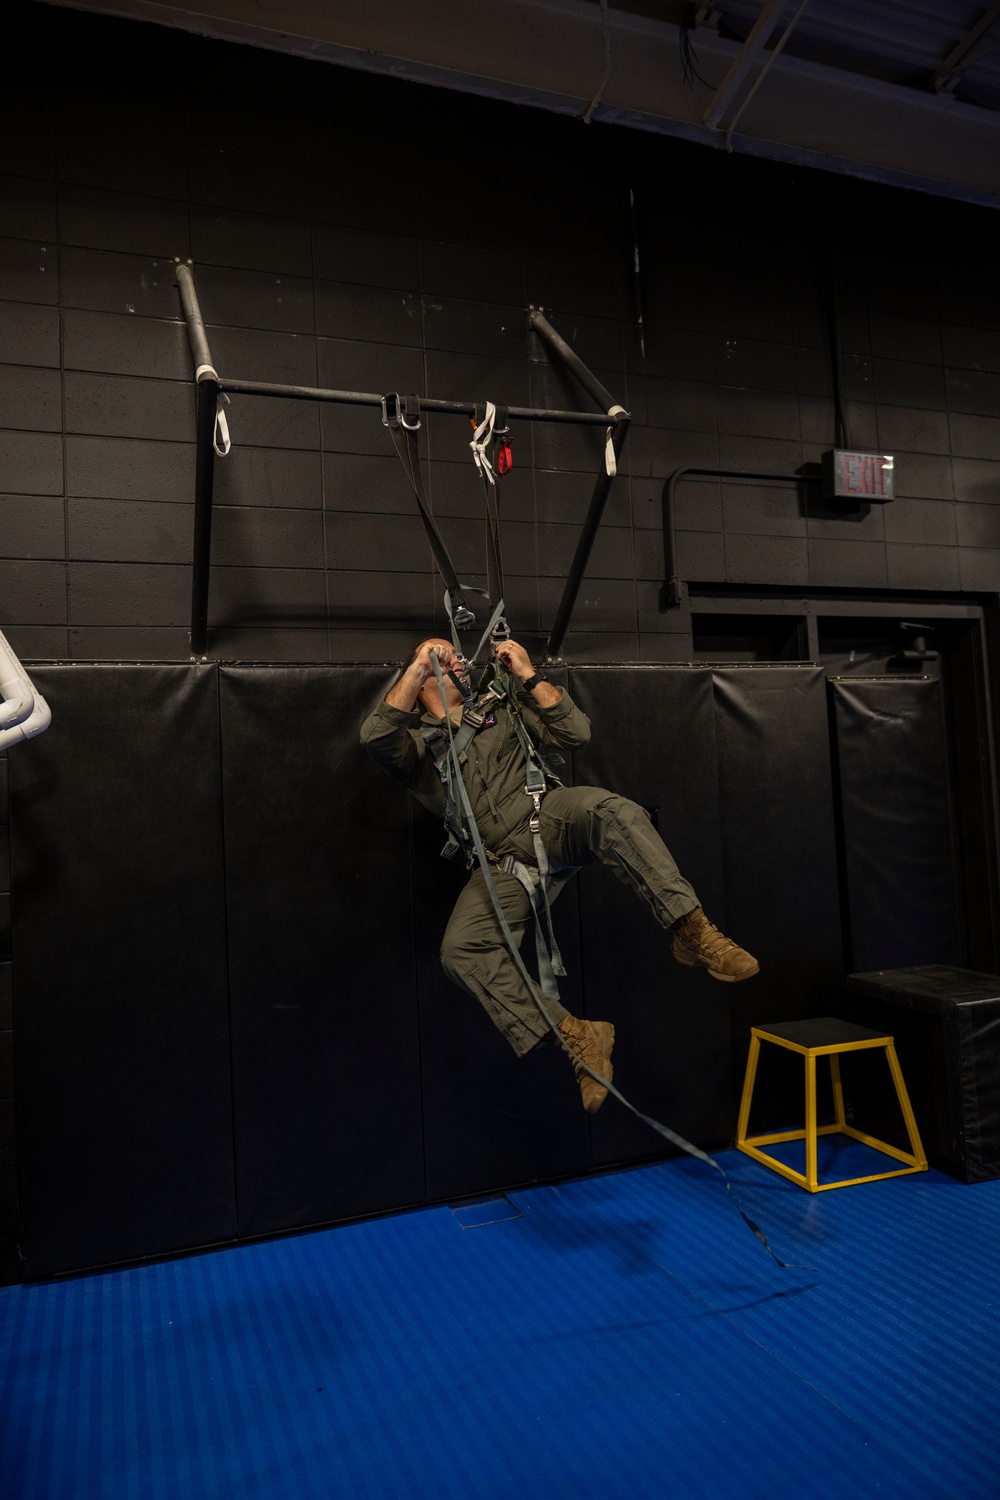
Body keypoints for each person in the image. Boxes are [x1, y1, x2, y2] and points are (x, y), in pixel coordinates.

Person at [360, 636, 758, 1113]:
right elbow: (374, 736)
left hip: (547, 819)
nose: (457, 665)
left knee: (611, 811)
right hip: (502, 864)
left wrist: (528, 675)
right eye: (442, 662)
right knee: (460, 951)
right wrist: (423, 661)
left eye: (455, 658)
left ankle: (693, 931)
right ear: (423, 678)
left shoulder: (499, 706)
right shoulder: (417, 750)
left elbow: (576, 735)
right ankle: (578, 1037)